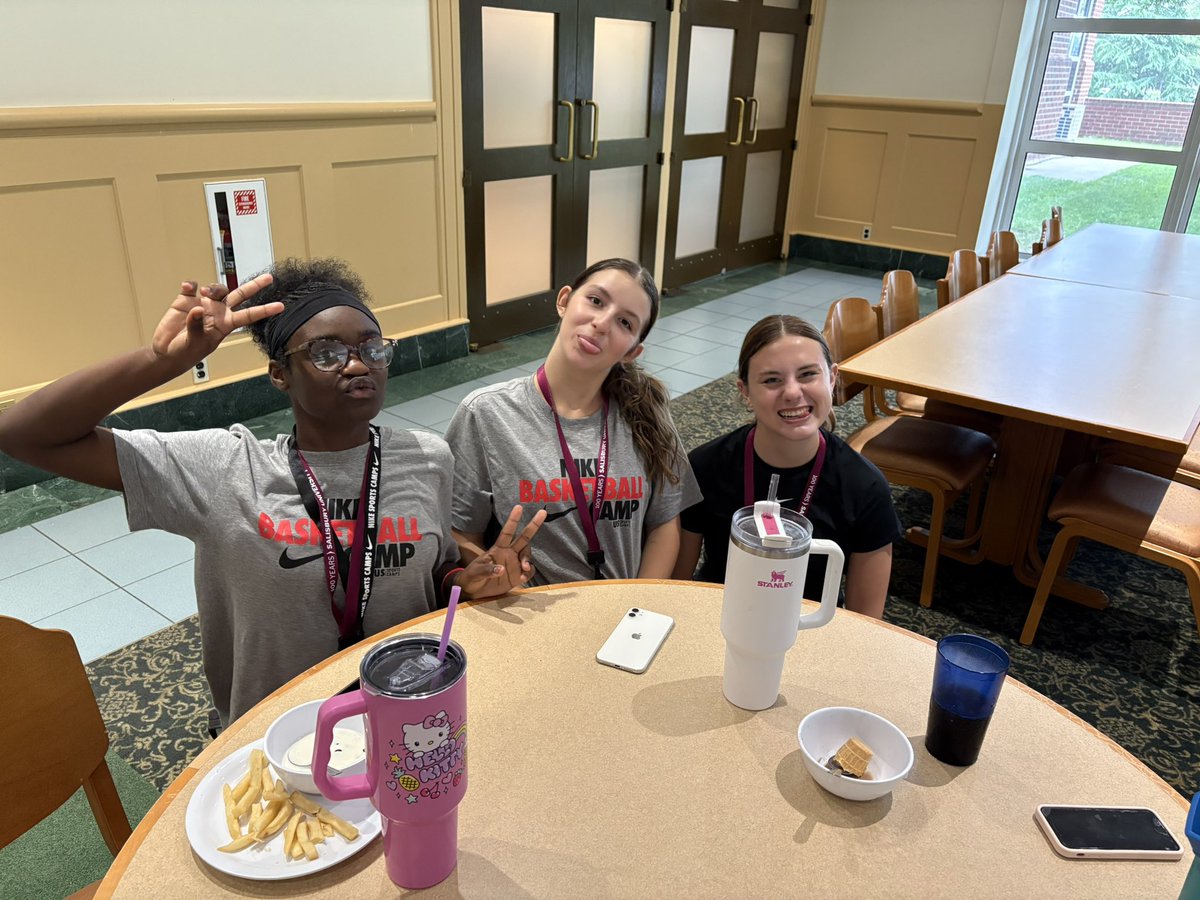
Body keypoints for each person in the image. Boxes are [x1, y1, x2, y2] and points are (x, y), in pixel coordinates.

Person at [0, 258, 544, 724]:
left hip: (403, 709)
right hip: (272, 734)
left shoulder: (427, 458)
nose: (357, 364)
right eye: (326, 352)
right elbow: (23, 434)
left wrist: (468, 579)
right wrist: (161, 362)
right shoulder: (223, 468)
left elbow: (434, 572)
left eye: (372, 348)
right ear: (280, 374)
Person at [446, 258, 700, 584]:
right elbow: (458, 529)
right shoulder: (486, 414)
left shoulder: (649, 410)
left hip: (624, 618)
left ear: (632, 352)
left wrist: (639, 606)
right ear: (564, 300)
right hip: (530, 616)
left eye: (625, 322)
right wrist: (491, 570)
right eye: (595, 301)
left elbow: (664, 524)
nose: (602, 323)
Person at [671, 315, 901, 618]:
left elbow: (866, 622)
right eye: (771, 380)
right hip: (719, 618)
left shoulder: (865, 486)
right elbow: (674, 587)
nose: (792, 392)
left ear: (832, 378)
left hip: (810, 628)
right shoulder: (705, 466)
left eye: (807, 374)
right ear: (745, 391)